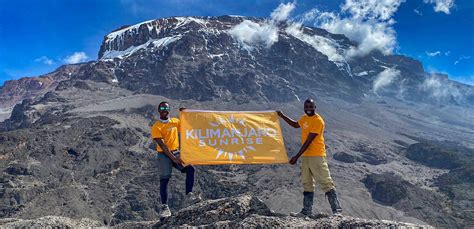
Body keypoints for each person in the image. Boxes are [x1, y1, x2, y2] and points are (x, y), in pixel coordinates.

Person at [277, 98, 342, 217]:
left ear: (315, 107)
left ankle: (337, 211)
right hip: (306, 156)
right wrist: (282, 116)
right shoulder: (305, 118)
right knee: (307, 183)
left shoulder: (318, 121)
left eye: (310, 107)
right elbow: (296, 125)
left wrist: (296, 157)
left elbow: (308, 141)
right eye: (306, 107)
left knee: (325, 181)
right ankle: (306, 211)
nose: (308, 109)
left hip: (316, 155)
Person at [151, 101, 201, 218]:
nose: (164, 110)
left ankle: (189, 195)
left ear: (169, 110)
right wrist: (174, 158)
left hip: (176, 152)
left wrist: (185, 113)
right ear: (159, 111)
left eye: (166, 108)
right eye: (162, 108)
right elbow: (162, 145)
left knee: (190, 170)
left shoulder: (175, 122)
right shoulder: (156, 126)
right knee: (164, 180)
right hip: (163, 154)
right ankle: (164, 208)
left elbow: (186, 125)